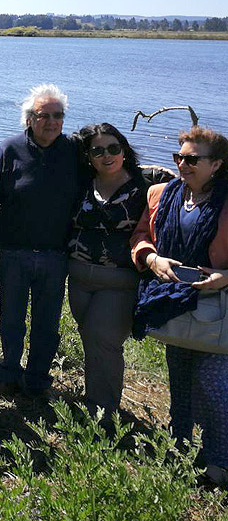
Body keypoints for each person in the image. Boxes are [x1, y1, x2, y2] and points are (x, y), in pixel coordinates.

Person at [131, 126, 228, 484]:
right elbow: (141, 236)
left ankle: (219, 464)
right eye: (179, 158)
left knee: (214, 387)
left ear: (216, 164)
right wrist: (152, 259)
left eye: (192, 159)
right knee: (181, 383)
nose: (183, 165)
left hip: (216, 308)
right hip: (173, 302)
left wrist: (225, 276)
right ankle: (179, 452)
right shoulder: (161, 194)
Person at [0, 84, 79, 398]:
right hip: (12, 252)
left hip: (56, 254)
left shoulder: (75, 151)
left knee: (47, 325)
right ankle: (8, 373)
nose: (51, 121)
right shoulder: (10, 149)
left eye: (57, 115)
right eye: (43, 115)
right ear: (29, 119)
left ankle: (37, 379)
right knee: (10, 321)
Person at [68, 123, 152, 416]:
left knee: (104, 339)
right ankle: (97, 401)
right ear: (88, 156)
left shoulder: (145, 187)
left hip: (119, 281)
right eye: (98, 150)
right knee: (91, 339)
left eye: (113, 148)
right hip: (78, 277)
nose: (107, 155)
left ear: (124, 150)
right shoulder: (81, 183)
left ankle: (102, 413)